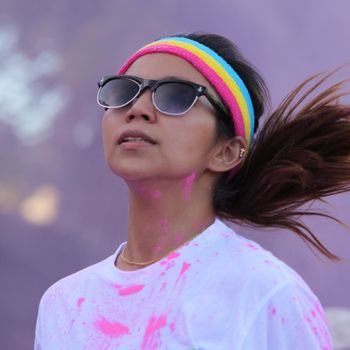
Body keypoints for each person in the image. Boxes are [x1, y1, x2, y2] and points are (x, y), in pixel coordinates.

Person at [34, 32, 350, 349]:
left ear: (226, 151)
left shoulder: (264, 291)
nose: (137, 109)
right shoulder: (64, 303)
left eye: (176, 96)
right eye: (123, 92)